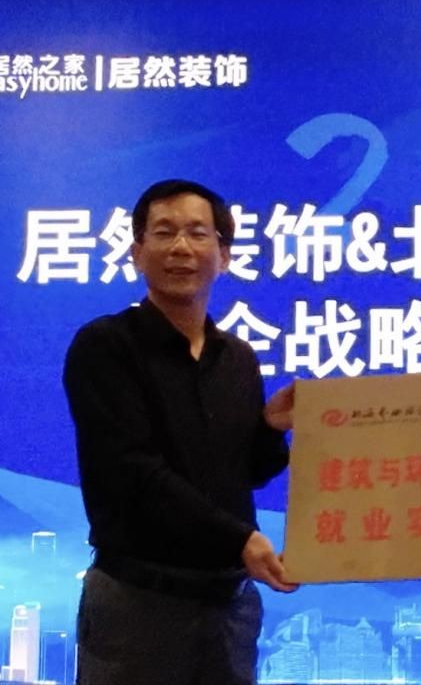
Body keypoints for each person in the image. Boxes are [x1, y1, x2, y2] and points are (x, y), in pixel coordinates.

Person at [63, 179, 298, 684]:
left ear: (224, 256)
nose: (181, 248)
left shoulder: (237, 358)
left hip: (229, 606)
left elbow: (244, 474)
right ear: (137, 253)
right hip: (138, 604)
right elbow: (132, 473)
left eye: (198, 233)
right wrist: (241, 539)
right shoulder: (105, 347)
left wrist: (270, 427)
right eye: (164, 232)